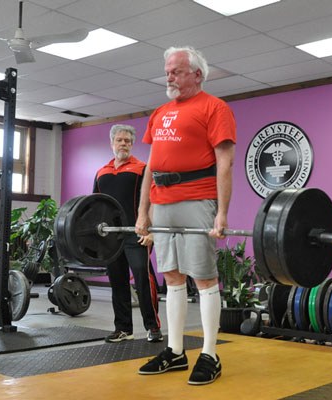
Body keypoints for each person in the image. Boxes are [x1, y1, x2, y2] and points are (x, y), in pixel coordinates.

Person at [135, 46, 236, 385]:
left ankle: (210, 353)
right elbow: (151, 165)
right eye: (167, 71)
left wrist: (222, 212)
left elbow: (225, 162)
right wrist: (142, 211)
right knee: (172, 277)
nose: (169, 76)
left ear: (197, 74)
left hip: (196, 199)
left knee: (204, 278)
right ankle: (175, 351)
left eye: (176, 70)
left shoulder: (215, 108)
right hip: (161, 201)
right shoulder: (160, 112)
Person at [93, 124, 163, 343]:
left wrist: (151, 231)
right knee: (117, 281)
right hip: (111, 236)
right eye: (120, 140)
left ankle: (153, 327)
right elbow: (96, 205)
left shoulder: (142, 168)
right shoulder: (101, 172)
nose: (123, 144)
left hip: (137, 232)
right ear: (112, 142)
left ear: (132, 144)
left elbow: (154, 200)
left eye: (128, 141)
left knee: (143, 277)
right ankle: (123, 328)